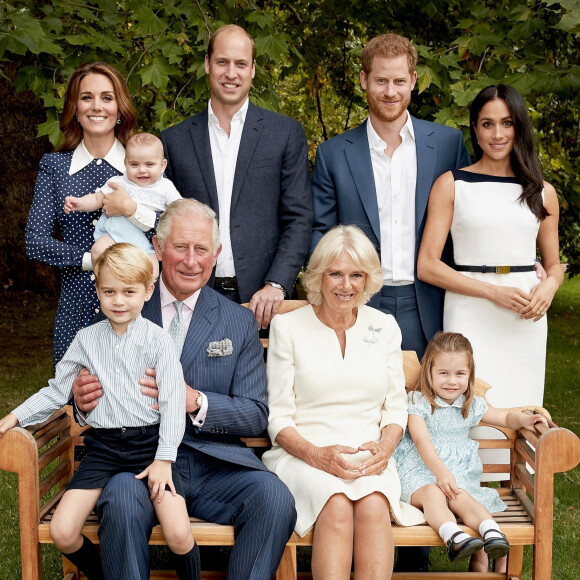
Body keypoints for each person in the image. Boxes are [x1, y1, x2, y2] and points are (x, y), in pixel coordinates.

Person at [72, 199, 297, 580]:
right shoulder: (121, 307)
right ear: (158, 249)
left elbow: (255, 413)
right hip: (136, 462)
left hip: (214, 464)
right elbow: (85, 397)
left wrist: (195, 400)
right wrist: (82, 403)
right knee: (123, 499)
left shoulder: (237, 321)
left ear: (216, 255)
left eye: (201, 249)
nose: (191, 261)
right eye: (180, 247)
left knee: (274, 498)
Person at [0, 243, 200, 580]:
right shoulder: (86, 339)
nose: (118, 300)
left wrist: (164, 460)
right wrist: (14, 417)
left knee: (179, 535)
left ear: (147, 291)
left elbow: (170, 403)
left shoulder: (158, 340)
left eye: (128, 291)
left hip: (149, 447)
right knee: (63, 531)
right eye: (109, 291)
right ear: (97, 290)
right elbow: (56, 390)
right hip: (103, 450)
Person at [262, 225, 425, 579]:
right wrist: (318, 455)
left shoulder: (384, 326)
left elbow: (396, 408)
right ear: (319, 276)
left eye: (356, 275)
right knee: (335, 503)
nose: (345, 285)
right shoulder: (287, 328)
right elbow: (278, 416)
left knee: (373, 504)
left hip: (369, 456)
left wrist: (386, 446)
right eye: (335, 273)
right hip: (302, 454)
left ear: (368, 280)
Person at [310, 33, 472, 361]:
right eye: (381, 80)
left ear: (413, 80)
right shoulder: (333, 154)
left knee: (432, 407)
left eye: (399, 80)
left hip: (430, 301)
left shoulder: (446, 144)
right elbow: (320, 232)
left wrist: (520, 266)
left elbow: (471, 219)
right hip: (359, 301)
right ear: (364, 80)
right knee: (360, 405)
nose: (390, 91)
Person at [417, 84, 563, 409]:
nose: (497, 134)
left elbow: (554, 265)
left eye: (507, 123)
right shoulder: (452, 184)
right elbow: (427, 264)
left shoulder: (542, 192)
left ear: (519, 126)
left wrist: (550, 286)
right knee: (468, 405)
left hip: (526, 315)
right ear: (475, 128)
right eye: (487, 123)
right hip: (469, 309)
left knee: (521, 406)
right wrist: (493, 291)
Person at [160, 24, 313, 329]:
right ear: (207, 64)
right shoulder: (173, 141)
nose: (231, 73)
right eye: (222, 62)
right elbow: (163, 220)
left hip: (264, 301)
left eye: (241, 64)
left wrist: (277, 284)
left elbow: (299, 217)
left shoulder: (284, 134)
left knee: (262, 379)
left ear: (253, 69)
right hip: (192, 296)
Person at [394, 332, 547, 564]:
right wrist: (441, 472)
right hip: (420, 473)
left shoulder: (470, 404)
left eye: (459, 374)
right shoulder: (418, 402)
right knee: (435, 493)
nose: (452, 381)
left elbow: (505, 418)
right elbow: (421, 440)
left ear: (469, 374)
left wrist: (525, 420)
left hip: (457, 478)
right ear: (430, 373)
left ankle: (492, 532)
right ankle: (453, 535)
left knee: (462, 497)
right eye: (443, 373)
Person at [25, 61, 138, 368]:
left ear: (120, 108)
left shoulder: (141, 165)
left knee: (137, 401)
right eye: (86, 97)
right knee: (75, 401)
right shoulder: (54, 167)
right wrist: (92, 259)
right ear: (74, 108)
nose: (96, 106)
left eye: (106, 97)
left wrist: (132, 209)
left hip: (135, 306)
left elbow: (164, 233)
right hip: (76, 303)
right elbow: (35, 241)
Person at [64, 132, 182, 279]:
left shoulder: (166, 187)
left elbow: (180, 210)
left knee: (153, 271)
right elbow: (96, 199)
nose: (142, 170)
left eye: (149, 164)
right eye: (134, 164)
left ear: (163, 165)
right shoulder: (118, 182)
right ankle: (105, 284)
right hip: (113, 236)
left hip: (144, 243)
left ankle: (139, 297)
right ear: (125, 163)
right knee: (98, 250)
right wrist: (79, 203)